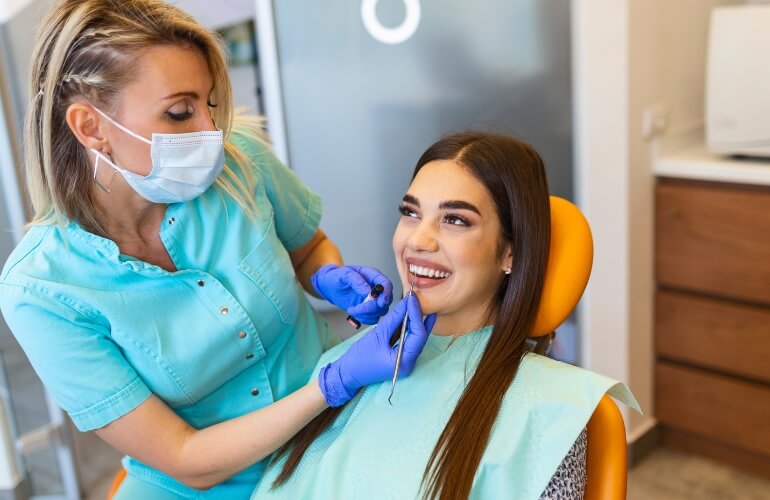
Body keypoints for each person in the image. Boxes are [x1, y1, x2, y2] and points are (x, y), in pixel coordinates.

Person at [0, 1, 435, 498]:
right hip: (203, 482)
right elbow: (185, 459)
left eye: (209, 103)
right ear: (91, 128)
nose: (210, 130)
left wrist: (326, 276)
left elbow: (307, 246)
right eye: (180, 112)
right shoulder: (42, 291)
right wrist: (331, 384)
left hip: (337, 428)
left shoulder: (240, 163)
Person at [252, 132, 639, 500]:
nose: (417, 241)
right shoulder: (346, 365)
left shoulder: (550, 415)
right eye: (410, 212)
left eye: (456, 220)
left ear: (511, 252)